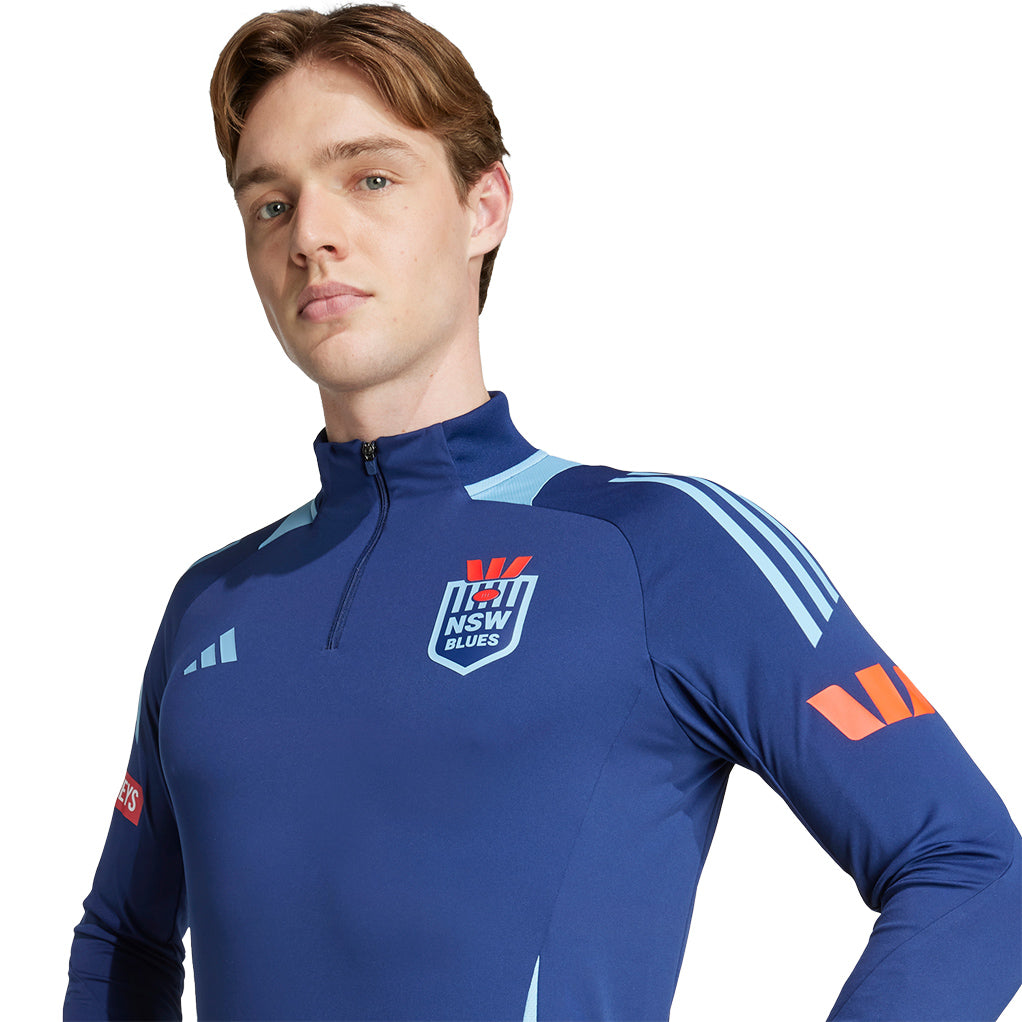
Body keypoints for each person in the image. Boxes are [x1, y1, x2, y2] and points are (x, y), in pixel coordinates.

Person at [63, 5, 1020, 1020]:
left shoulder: (660, 551)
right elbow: (123, 943)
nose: (312, 235)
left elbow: (974, 871)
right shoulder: (212, 606)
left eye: (370, 178)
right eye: (271, 203)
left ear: (483, 207)